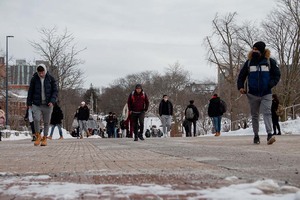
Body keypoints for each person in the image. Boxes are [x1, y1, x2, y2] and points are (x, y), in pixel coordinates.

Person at [237, 41, 281, 145]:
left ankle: (269, 134)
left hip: (266, 92)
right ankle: (256, 136)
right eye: (253, 49)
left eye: (256, 49)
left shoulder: (270, 62)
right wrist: (240, 87)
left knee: (267, 112)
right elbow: (241, 76)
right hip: (252, 93)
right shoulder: (249, 62)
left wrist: (271, 84)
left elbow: (277, 75)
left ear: (261, 50)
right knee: (255, 115)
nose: (254, 51)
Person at [27, 63, 58, 146]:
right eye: (39, 73)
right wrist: (29, 102)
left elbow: (55, 91)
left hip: (48, 104)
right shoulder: (34, 79)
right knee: (36, 119)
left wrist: (52, 101)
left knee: (46, 122)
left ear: (45, 70)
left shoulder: (51, 79)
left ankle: (44, 138)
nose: (41, 74)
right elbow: (30, 91)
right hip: (36, 103)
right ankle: (38, 136)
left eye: (42, 72)